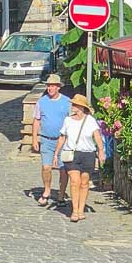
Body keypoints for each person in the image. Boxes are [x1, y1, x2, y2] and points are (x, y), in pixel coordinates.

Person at [53, 93, 105, 224]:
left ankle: (81, 210)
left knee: (84, 182)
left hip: (88, 154)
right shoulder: (68, 120)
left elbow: (97, 137)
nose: (73, 106)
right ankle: (75, 211)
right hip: (71, 154)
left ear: (82, 107)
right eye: (73, 104)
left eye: (75, 104)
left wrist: (101, 151)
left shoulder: (90, 121)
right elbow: (62, 137)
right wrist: (56, 153)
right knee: (75, 181)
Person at [32, 72, 71, 207]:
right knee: (46, 167)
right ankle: (47, 191)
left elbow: (72, 121)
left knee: (63, 169)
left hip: (62, 141)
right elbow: (36, 121)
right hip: (46, 140)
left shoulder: (66, 102)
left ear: (58, 87)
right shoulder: (41, 102)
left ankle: (61, 194)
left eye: (53, 86)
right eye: (48, 86)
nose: (50, 88)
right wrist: (34, 139)